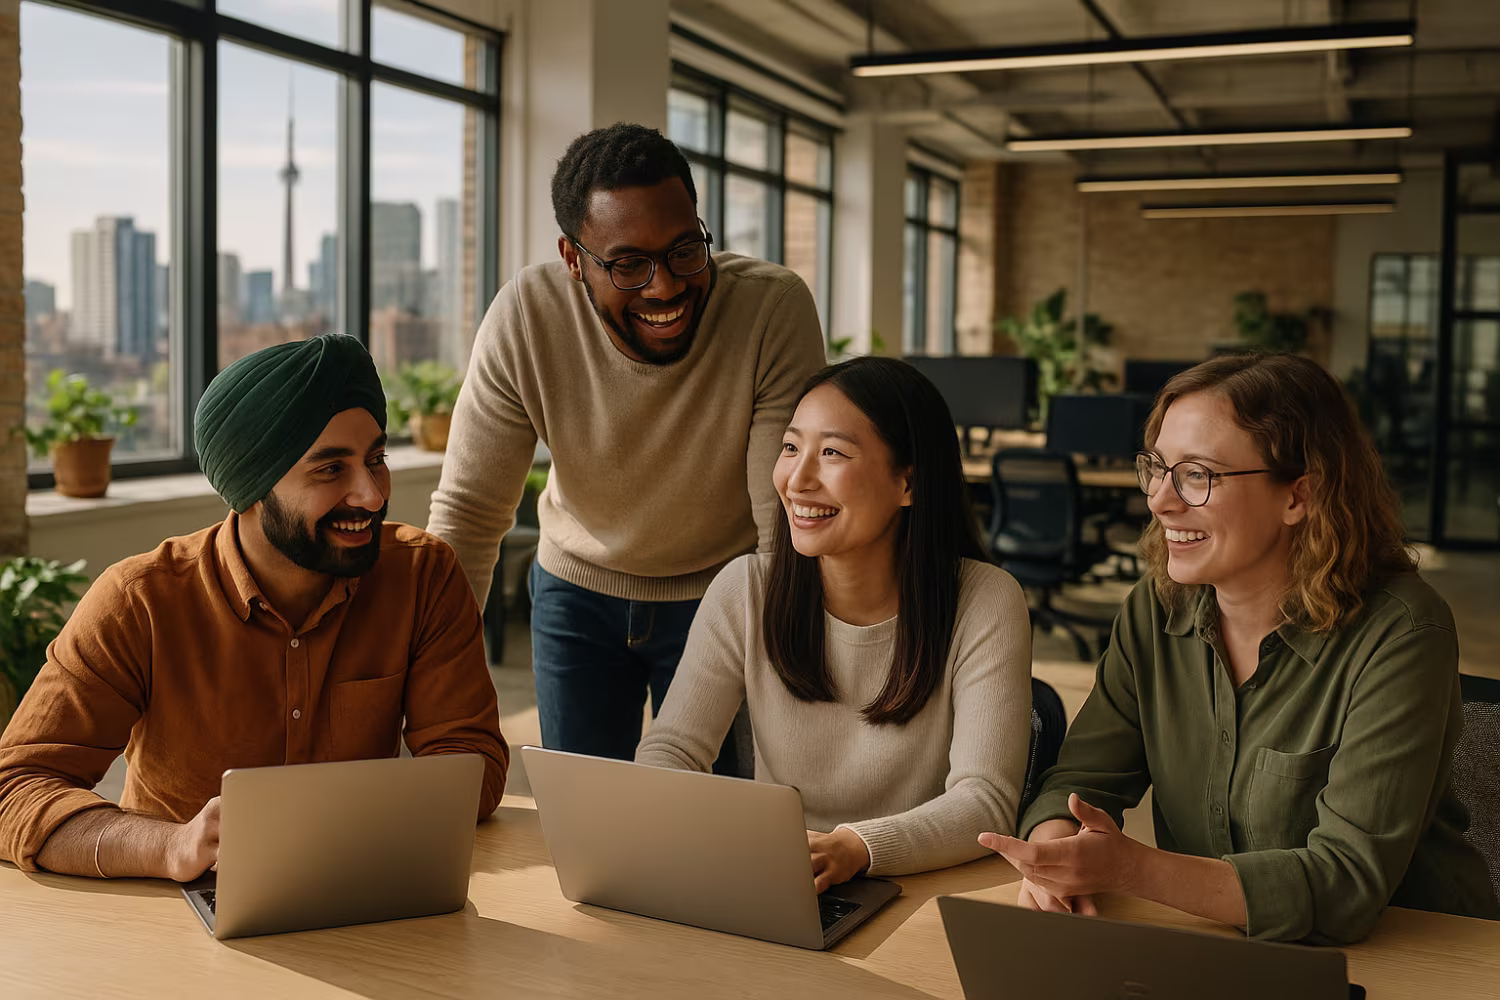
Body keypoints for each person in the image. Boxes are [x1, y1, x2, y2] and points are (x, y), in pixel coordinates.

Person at [983, 352, 1499, 944]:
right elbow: (1078, 781)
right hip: (1215, 945)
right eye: (1157, 467)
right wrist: (1053, 854)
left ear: (1298, 497)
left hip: (1413, 955)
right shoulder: (1156, 609)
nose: (1159, 500)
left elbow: (1346, 884)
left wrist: (1130, 866)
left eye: (1197, 475)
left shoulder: (1403, 633)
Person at [0, 335, 509, 880]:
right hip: (176, 912)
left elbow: (470, 761)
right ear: (250, 488)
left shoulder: (422, 575)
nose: (372, 494)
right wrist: (173, 846)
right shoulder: (139, 601)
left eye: (375, 459)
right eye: (330, 469)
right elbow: (15, 789)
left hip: (363, 890)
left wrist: (338, 826)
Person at [427, 124, 827, 769]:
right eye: (628, 264)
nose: (665, 286)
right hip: (575, 595)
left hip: (721, 593)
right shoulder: (527, 316)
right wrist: (428, 672)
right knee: (586, 818)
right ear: (572, 257)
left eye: (683, 250)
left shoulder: (770, 308)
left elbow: (779, 516)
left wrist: (792, 665)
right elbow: (469, 514)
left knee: (723, 814)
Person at [636, 357, 1033, 890]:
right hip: (776, 879)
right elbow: (672, 750)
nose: (797, 479)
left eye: (832, 453)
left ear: (908, 482)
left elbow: (985, 802)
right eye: (791, 447)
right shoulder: (746, 589)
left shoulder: (984, 601)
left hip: (916, 888)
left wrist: (855, 848)